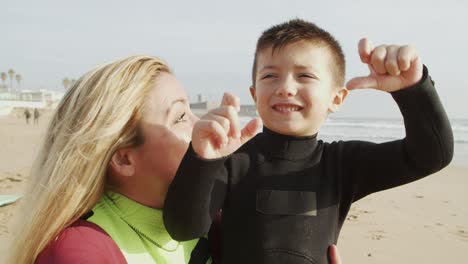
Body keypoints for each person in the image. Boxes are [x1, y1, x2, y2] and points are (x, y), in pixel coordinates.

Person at [163, 19, 454, 264]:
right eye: (270, 75)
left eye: (304, 75)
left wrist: (413, 89)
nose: (286, 88)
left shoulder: (342, 165)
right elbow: (183, 227)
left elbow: (431, 155)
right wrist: (202, 159)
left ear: (336, 98)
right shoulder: (234, 160)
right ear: (254, 94)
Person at [6, 55, 345, 264]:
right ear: (124, 159)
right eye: (181, 116)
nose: (201, 126)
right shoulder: (79, 252)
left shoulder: (216, 221)